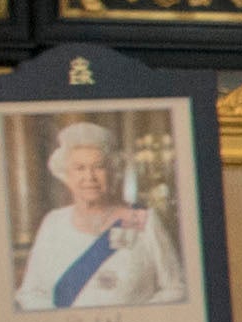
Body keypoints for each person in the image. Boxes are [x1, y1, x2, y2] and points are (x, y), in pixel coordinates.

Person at [16, 122, 183, 311]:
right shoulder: (53, 223)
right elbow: (31, 293)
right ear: (66, 176)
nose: (90, 177)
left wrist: (135, 320)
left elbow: (175, 288)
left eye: (99, 167)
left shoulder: (143, 220)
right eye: (79, 168)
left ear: (113, 173)